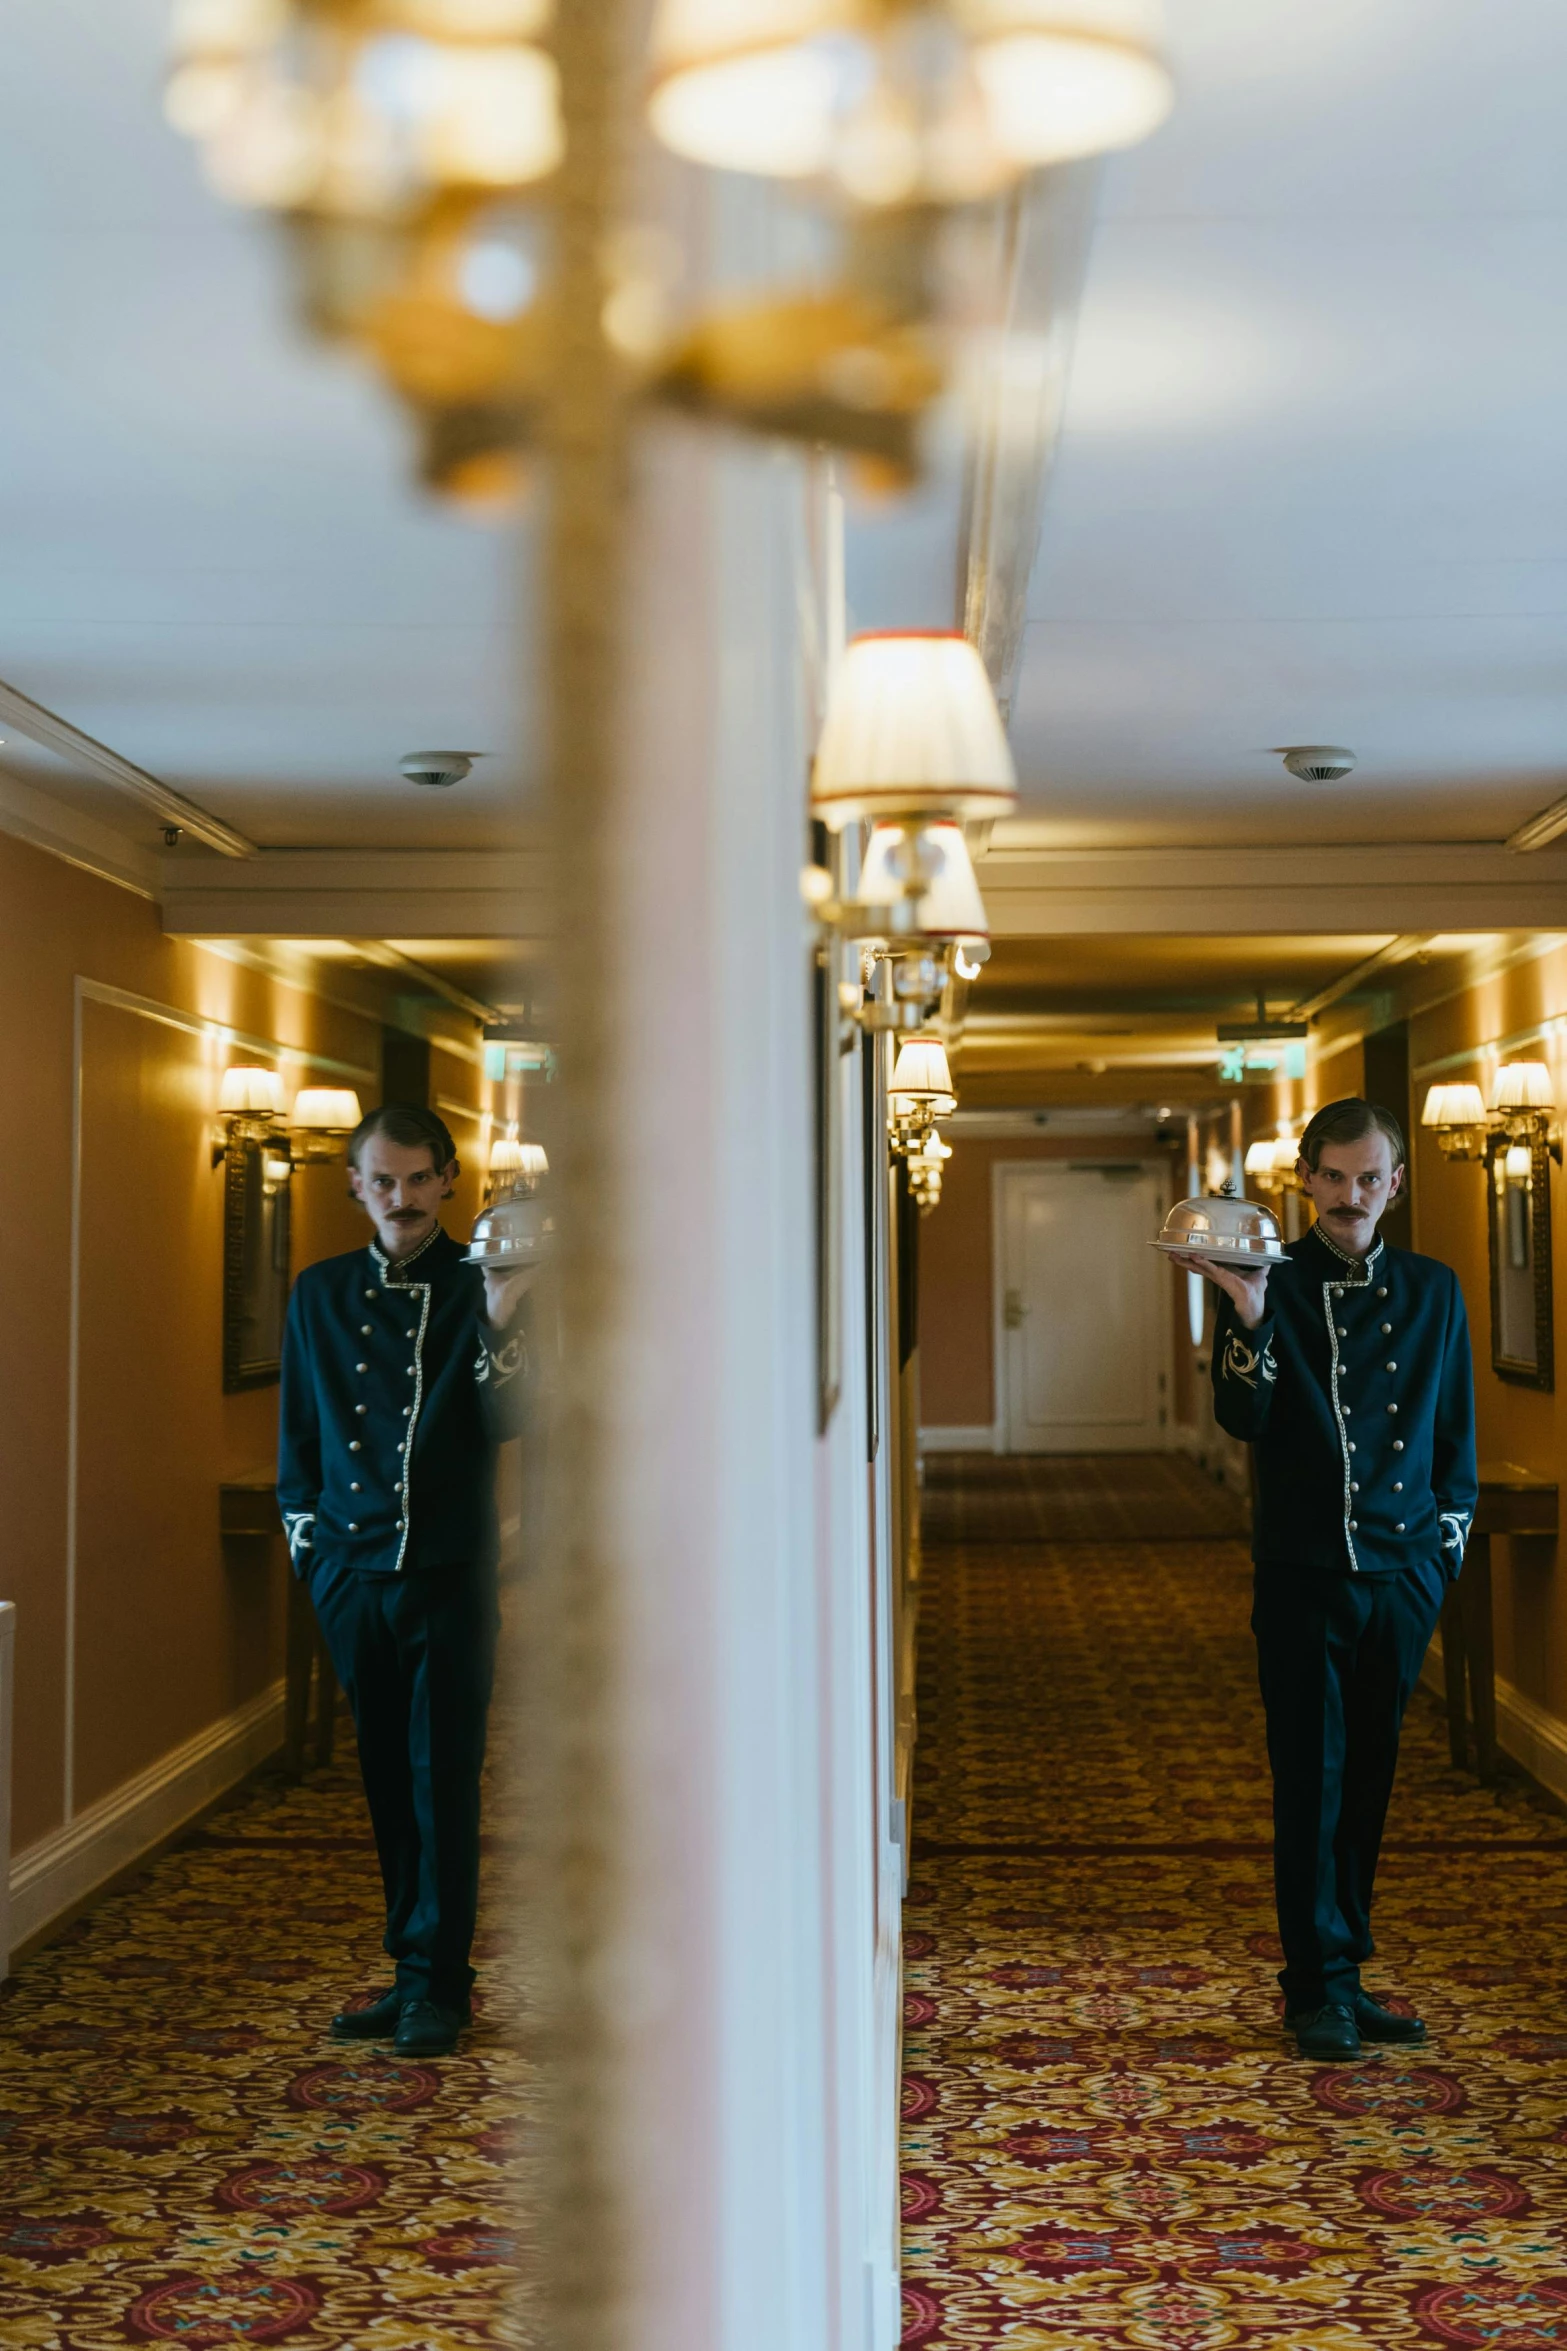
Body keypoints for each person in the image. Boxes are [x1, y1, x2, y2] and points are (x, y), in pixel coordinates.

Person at [1174, 1097, 1476, 2061]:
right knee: (1311, 1778)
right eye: (1334, 1177)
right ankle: (1314, 1987)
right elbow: (1240, 1417)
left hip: (1400, 1570)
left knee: (1372, 1777)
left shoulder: (1434, 1290)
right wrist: (1250, 1314)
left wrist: (1440, 1556)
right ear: (1303, 1178)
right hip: (1305, 1572)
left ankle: (1344, 1975)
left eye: (1369, 1178)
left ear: (1395, 1184)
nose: (1351, 1196)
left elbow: (1453, 1435)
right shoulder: (1271, 1276)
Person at [278, 1102, 532, 2057]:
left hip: (447, 1568)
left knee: (442, 1778)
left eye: (419, 1178)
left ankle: (442, 1985)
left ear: (448, 1178)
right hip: (350, 1568)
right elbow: (298, 1434)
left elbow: (509, 1421)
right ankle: (408, 1970)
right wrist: (312, 1550)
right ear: (355, 1184)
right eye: (382, 1180)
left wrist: (505, 1312)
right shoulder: (319, 1290)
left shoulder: (486, 1282)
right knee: (386, 1776)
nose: (401, 1197)